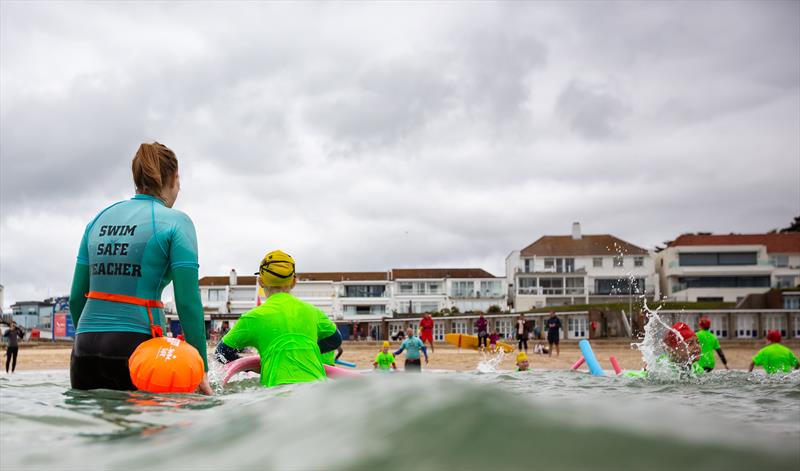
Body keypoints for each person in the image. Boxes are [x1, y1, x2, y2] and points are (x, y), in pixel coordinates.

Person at [68, 142, 211, 394]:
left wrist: (88, 339)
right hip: (137, 347)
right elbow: (188, 302)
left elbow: (76, 298)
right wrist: (202, 369)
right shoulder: (178, 222)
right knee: (147, 433)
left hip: (84, 349)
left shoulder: (98, 220)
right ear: (175, 178)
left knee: (92, 431)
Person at [215, 250, 342, 387]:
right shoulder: (313, 312)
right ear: (294, 281)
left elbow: (221, 353)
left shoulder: (253, 317)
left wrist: (251, 366)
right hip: (317, 388)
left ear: (261, 282)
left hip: (276, 392)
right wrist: (305, 352)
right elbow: (335, 340)